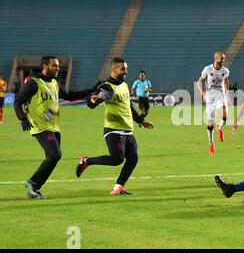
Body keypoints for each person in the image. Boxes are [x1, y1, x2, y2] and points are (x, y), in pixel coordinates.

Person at [13, 55, 97, 199]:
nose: (58, 68)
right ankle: (32, 183)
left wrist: (91, 90)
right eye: (54, 65)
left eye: (58, 65)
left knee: (53, 157)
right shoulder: (34, 83)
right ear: (45, 67)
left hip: (54, 126)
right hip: (40, 127)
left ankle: (34, 188)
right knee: (55, 155)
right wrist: (23, 118)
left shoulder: (54, 83)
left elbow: (70, 95)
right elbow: (18, 102)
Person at [75, 57, 154, 195]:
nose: (126, 72)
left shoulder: (123, 85)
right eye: (123, 69)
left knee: (133, 158)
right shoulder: (105, 86)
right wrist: (92, 100)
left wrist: (140, 121)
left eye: (126, 69)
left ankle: (118, 187)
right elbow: (92, 103)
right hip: (113, 129)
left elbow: (128, 106)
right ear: (113, 70)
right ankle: (86, 161)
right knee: (117, 159)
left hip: (127, 129)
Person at [196, 51, 230, 154]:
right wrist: (203, 93)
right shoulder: (208, 69)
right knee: (210, 124)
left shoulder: (225, 71)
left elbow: (226, 81)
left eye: (224, 59)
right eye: (221, 59)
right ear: (216, 59)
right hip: (210, 96)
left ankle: (220, 127)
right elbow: (199, 82)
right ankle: (211, 145)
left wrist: (227, 94)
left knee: (224, 116)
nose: (223, 60)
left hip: (221, 94)